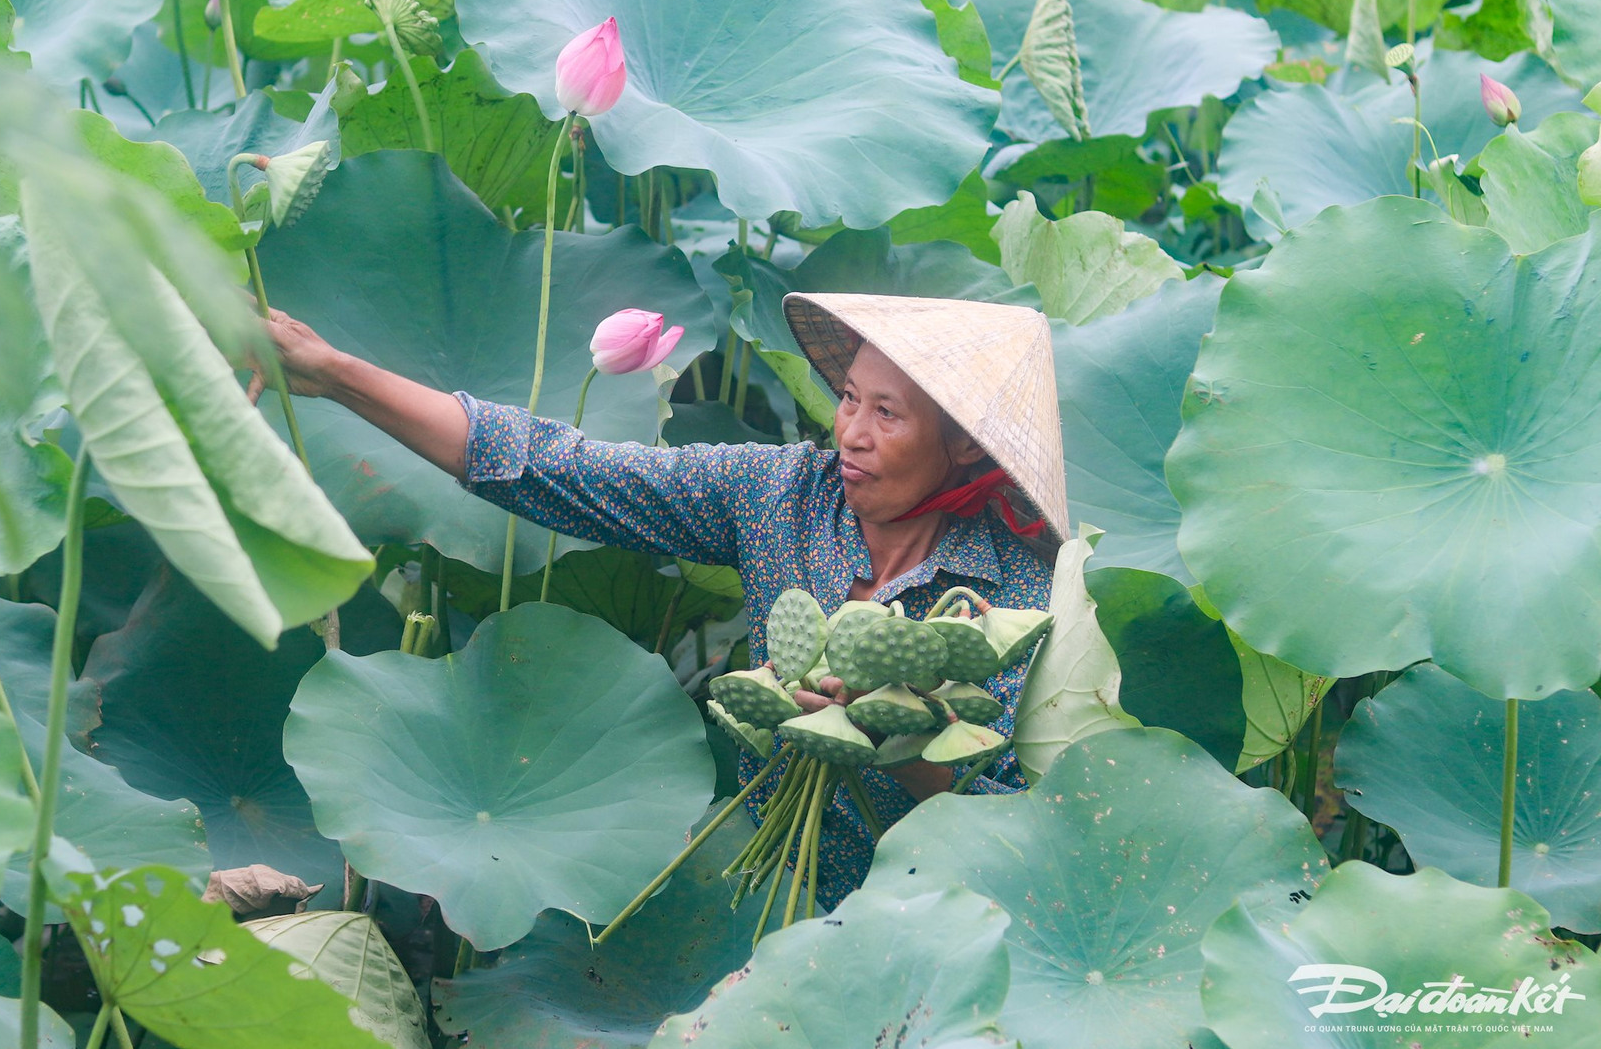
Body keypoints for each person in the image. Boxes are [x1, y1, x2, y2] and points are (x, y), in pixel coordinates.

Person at [254, 290, 1068, 909]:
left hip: (921, 919)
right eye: (849, 397)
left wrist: (897, 730)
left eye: (886, 413)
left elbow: (1007, 820)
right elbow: (561, 468)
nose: (849, 431)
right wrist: (337, 376)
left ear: (964, 444)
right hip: (750, 893)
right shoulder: (780, 494)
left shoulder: (1018, 594)